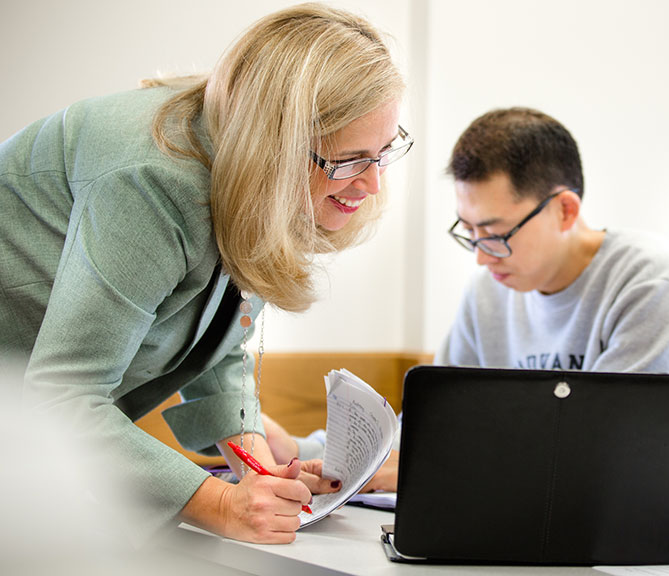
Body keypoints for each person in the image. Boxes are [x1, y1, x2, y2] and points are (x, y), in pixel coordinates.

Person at [0, 4, 410, 544]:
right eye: (350, 160)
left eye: (383, 152)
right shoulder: (151, 182)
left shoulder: (244, 155)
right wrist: (219, 503)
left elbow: (217, 335)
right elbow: (62, 399)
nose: (372, 184)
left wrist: (261, 476)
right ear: (276, 148)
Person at [436, 107, 669, 375]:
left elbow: (606, 428)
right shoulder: (485, 292)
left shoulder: (648, 280)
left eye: (498, 234)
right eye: (470, 232)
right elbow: (440, 411)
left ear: (565, 210)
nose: (482, 258)